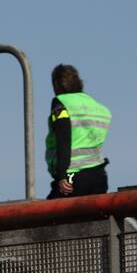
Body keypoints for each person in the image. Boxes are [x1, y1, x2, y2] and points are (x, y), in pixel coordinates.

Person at [46, 64, 111, 198]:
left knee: (48, 210)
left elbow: (64, 139)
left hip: (72, 176)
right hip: (99, 176)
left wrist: (62, 175)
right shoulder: (98, 107)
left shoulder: (61, 103)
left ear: (57, 85)